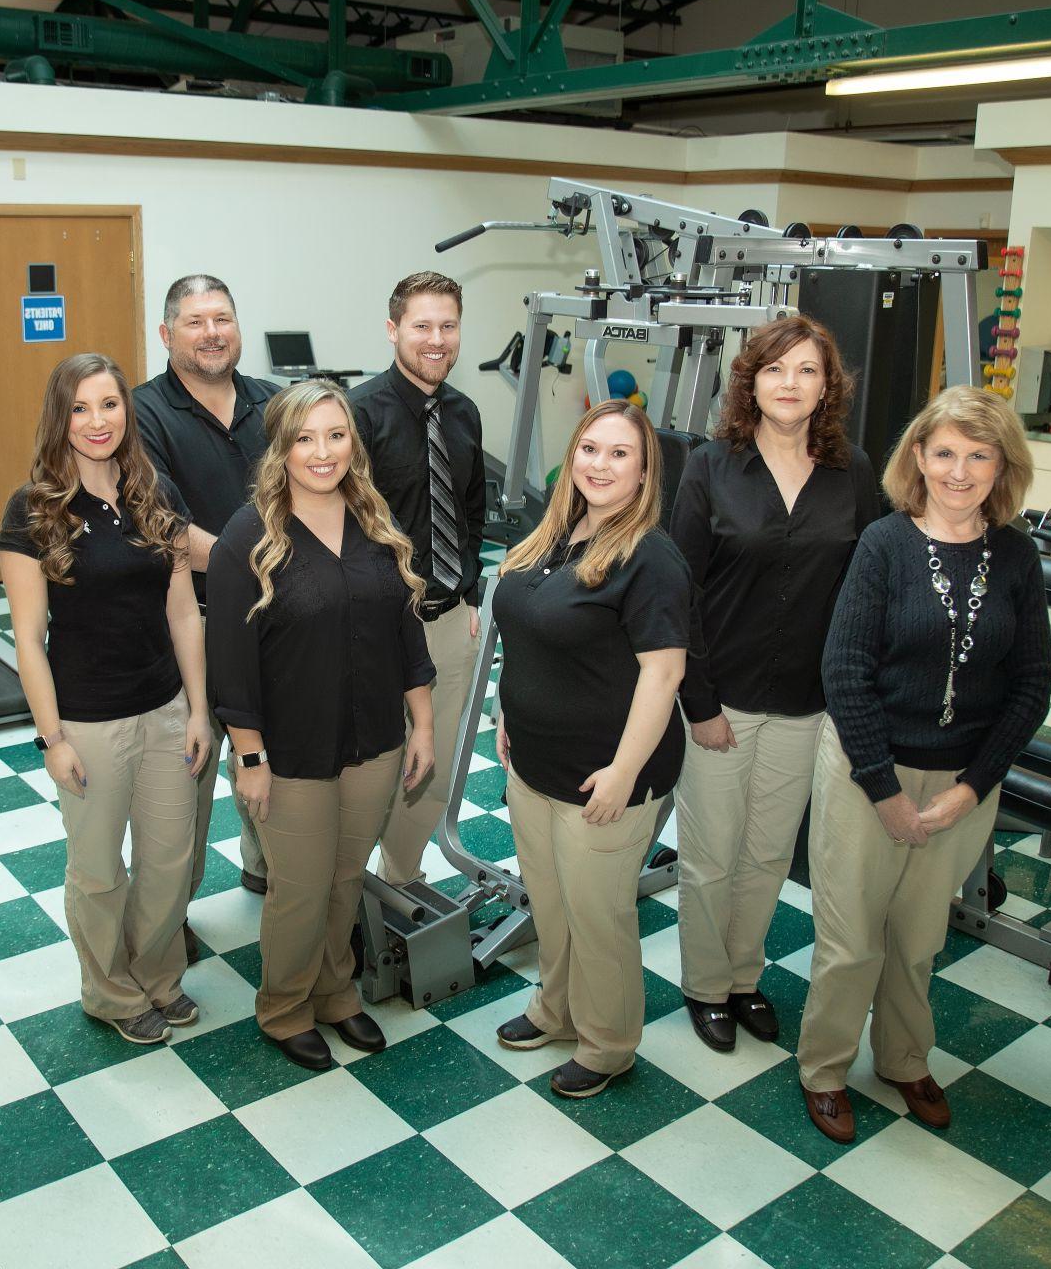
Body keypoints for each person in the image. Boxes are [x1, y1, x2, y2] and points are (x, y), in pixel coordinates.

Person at [797, 384, 1051, 1143]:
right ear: (919, 457)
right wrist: (884, 792)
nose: (960, 471)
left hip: (962, 784)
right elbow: (844, 672)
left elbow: (1032, 683)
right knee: (851, 941)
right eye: (945, 453)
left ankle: (905, 1059)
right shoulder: (884, 545)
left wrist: (971, 790)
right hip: (865, 773)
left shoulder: (1016, 556)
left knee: (918, 941)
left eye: (980, 455)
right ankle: (825, 1070)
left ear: (1004, 465)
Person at [207, 381, 437, 1072]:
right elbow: (231, 665)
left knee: (344, 879)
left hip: (374, 738)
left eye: (336, 435)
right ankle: (284, 1008)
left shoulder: (372, 518)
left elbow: (405, 629)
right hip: (291, 747)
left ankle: (337, 994)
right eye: (304, 438)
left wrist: (422, 723)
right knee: (300, 888)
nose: (322, 451)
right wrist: (249, 758)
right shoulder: (246, 537)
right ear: (279, 447)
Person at [669, 316, 880, 1054]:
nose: (790, 384)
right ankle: (702, 985)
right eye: (776, 370)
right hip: (719, 696)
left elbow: (867, 587)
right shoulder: (711, 467)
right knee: (710, 854)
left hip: (805, 702)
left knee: (764, 854)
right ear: (751, 381)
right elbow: (680, 591)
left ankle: (741, 977)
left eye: (807, 372)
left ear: (828, 387)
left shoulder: (852, 471)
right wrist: (697, 703)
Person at [0, 353, 211, 1046]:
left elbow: (184, 612)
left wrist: (200, 710)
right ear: (61, 417)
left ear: (128, 411)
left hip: (165, 707)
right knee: (97, 870)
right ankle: (110, 993)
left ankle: (157, 977)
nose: (98, 422)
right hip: (88, 719)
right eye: (81, 408)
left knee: (170, 859)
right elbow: (29, 639)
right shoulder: (34, 509)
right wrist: (51, 739)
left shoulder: (156, 492)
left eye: (110, 405)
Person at [491, 400, 695, 1099]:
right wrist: (504, 711)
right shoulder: (552, 533)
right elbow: (523, 633)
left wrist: (625, 772)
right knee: (549, 902)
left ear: (643, 475)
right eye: (589, 449)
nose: (599, 465)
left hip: (607, 775)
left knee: (597, 914)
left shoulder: (650, 558)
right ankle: (557, 1008)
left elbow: (664, 673)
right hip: (534, 762)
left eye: (619, 455)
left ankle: (609, 1044)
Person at [135, 275, 280, 924]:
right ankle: (167, 924)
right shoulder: (142, 412)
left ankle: (268, 870)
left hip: (272, 622)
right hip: (184, 622)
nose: (212, 332)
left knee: (271, 758)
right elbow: (158, 521)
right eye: (195, 321)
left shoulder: (274, 404)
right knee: (184, 782)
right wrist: (250, 563)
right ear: (167, 335)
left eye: (222, 317)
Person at [351, 272, 485, 887]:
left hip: (450, 619)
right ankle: (343, 894)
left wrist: (472, 592)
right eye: (422, 326)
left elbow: (472, 510)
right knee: (371, 770)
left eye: (448, 326)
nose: (437, 340)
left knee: (436, 764)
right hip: (379, 628)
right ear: (392, 330)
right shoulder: (358, 416)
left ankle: (400, 881)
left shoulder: (465, 413)